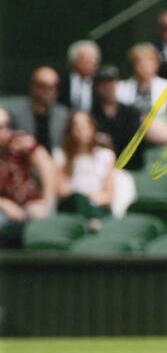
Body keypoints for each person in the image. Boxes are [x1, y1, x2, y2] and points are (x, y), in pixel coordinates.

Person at [0, 107, 58, 244]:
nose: (4, 131)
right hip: (4, 209)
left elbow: (46, 165)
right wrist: (5, 204)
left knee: (39, 217)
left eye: (6, 126)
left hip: (30, 203)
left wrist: (47, 199)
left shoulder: (20, 142)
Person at [52, 110, 116, 220]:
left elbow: (108, 195)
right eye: (76, 127)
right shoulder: (60, 156)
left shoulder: (106, 155)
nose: (81, 130)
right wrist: (87, 196)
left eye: (85, 126)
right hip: (71, 206)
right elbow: (62, 190)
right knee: (78, 199)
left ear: (93, 128)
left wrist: (90, 198)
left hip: (97, 206)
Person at [90, 66, 144, 169]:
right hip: (101, 166)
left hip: (130, 165)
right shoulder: (92, 113)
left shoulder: (131, 112)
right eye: (104, 84)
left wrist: (109, 140)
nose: (109, 88)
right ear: (97, 87)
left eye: (112, 84)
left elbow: (134, 141)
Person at [7, 67, 70, 154]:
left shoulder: (64, 115)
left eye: (52, 87)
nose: (47, 92)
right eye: (42, 86)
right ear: (33, 86)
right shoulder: (15, 114)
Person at [116, 43, 167, 119]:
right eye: (140, 63)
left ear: (157, 65)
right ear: (133, 65)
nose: (145, 67)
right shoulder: (120, 87)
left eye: (149, 63)